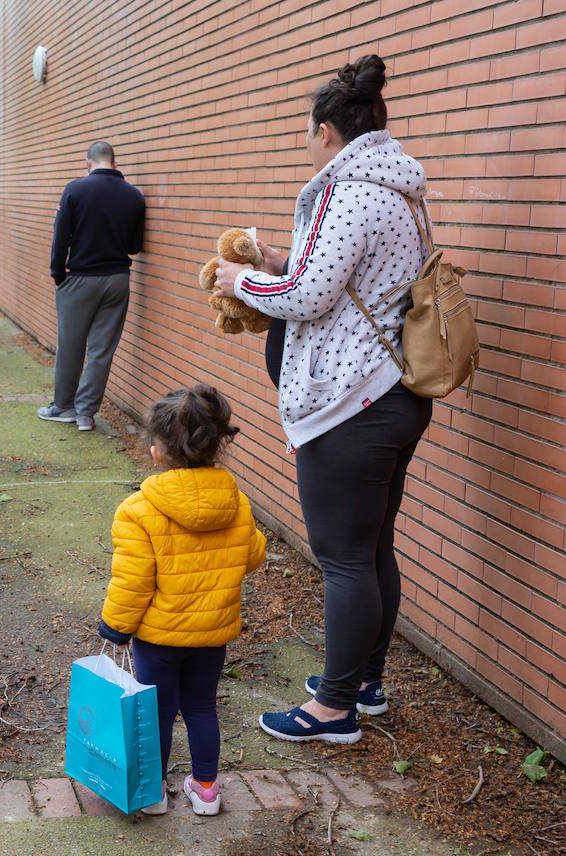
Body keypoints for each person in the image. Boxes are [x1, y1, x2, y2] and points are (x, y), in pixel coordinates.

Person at [212, 55, 433, 745]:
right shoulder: (398, 190)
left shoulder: (349, 193)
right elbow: (339, 278)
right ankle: (362, 685)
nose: (307, 145)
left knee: (343, 557)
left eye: (308, 134)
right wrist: (281, 261)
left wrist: (239, 281)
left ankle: (333, 711)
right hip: (393, 395)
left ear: (329, 131)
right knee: (371, 549)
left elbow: (309, 298)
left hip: (351, 404)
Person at [98, 384, 267, 816]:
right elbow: (253, 556)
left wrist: (116, 627)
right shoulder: (237, 504)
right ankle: (206, 789)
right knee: (201, 708)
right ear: (215, 448)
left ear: (157, 453)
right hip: (212, 633)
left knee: (157, 711)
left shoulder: (138, 509)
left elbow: (133, 580)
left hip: (158, 637)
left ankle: (153, 790)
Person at [39, 141, 145, 432]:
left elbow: (61, 236)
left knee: (71, 346)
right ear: (114, 161)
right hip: (118, 279)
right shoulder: (134, 196)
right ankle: (85, 414)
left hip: (80, 278)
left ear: (88, 162)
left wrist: (57, 273)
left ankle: (63, 408)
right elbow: (135, 246)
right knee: (101, 350)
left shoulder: (75, 189)